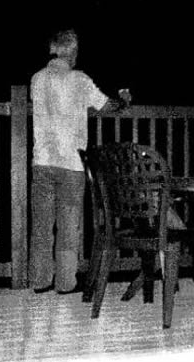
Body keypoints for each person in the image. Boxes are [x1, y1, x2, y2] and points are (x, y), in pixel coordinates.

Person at [29, 29, 131, 293]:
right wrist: (124, 101)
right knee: (68, 226)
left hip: (42, 162)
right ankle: (65, 283)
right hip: (71, 164)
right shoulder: (80, 80)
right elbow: (107, 106)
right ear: (72, 52)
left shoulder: (37, 79)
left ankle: (40, 281)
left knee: (41, 226)